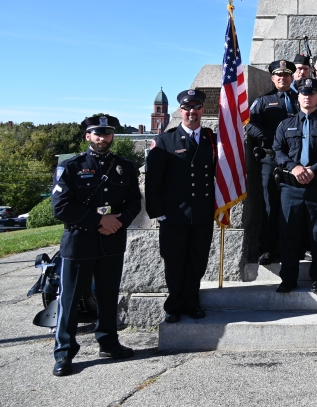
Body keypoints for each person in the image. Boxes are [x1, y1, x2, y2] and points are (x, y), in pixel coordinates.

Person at [50, 114, 142, 376]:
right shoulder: (70, 167)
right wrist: (99, 221)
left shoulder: (124, 166)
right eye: (97, 133)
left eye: (107, 132)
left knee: (107, 296)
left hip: (111, 241)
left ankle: (108, 343)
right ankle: (64, 353)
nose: (103, 138)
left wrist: (118, 221)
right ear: (88, 136)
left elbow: (134, 202)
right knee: (70, 299)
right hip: (80, 242)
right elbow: (61, 206)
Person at [145, 89, 217, 324]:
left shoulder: (211, 139)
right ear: (180, 111)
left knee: (197, 261)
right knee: (174, 262)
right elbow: (153, 180)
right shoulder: (165, 140)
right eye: (187, 108)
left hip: (202, 214)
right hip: (174, 215)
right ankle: (173, 305)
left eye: (196, 108)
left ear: (202, 111)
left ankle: (192, 302)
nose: (191, 112)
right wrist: (158, 213)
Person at [272, 78, 317, 293]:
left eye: (312, 94)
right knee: (289, 233)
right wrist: (293, 167)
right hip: (290, 187)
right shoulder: (285, 124)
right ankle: (288, 278)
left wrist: (314, 169)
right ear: (298, 97)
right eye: (303, 93)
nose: (307, 97)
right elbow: (277, 150)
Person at [246, 60, 299, 265]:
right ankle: (268, 248)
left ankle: (297, 246)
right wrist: (275, 137)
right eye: (278, 75)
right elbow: (249, 126)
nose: (282, 78)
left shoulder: (299, 99)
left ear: (291, 78)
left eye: (286, 75)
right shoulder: (262, 101)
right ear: (272, 78)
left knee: (295, 205)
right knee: (270, 204)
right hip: (270, 159)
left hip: (296, 160)